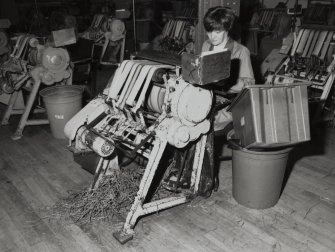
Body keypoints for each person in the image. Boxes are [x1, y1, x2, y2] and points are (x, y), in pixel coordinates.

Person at [202, 6, 255, 131]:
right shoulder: (206, 45)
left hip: (228, 104)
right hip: (208, 97)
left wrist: (226, 82)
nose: (212, 36)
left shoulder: (241, 51)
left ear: (227, 29)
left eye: (217, 32)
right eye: (209, 31)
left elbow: (250, 85)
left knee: (202, 123)